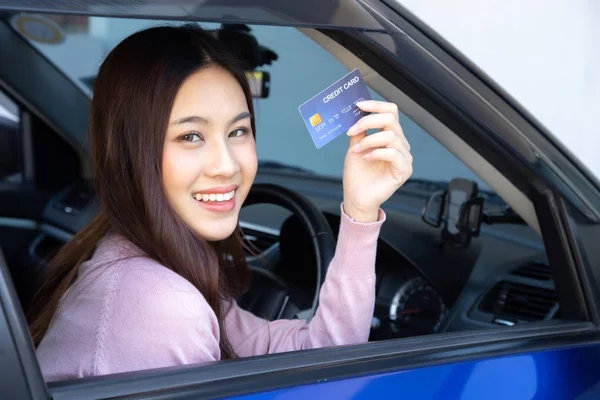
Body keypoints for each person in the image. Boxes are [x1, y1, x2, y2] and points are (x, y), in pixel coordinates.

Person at [28, 24, 413, 381]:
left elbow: (322, 358)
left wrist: (360, 211)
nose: (227, 165)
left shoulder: (146, 260)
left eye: (238, 131)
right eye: (191, 136)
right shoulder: (159, 303)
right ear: (130, 153)